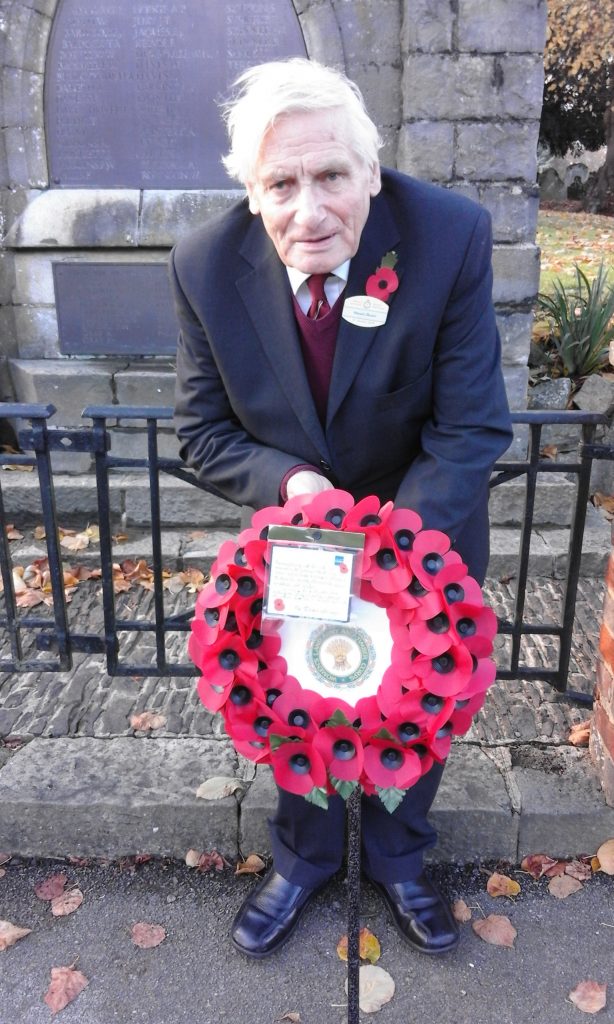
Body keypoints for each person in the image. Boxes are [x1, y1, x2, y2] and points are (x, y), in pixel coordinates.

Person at [171, 58, 513, 960]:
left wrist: (396, 557)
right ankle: (307, 854)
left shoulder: (449, 237)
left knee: (418, 697)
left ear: (371, 169)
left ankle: (402, 857)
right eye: (280, 182)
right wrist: (293, 490)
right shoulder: (202, 266)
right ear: (251, 191)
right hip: (300, 547)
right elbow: (204, 434)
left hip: (427, 535)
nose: (308, 210)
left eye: (331, 175)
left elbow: (473, 422)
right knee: (298, 701)